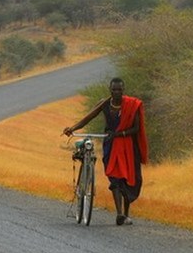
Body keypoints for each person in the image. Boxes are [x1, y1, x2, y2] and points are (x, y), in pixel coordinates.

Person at [62, 77, 148, 226]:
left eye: (119, 90)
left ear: (123, 90)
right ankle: (119, 214)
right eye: (114, 90)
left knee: (128, 179)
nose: (117, 92)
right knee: (115, 178)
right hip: (111, 144)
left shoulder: (131, 105)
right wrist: (72, 128)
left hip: (128, 146)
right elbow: (88, 117)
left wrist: (119, 134)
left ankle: (126, 213)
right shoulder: (105, 104)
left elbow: (136, 128)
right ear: (110, 90)